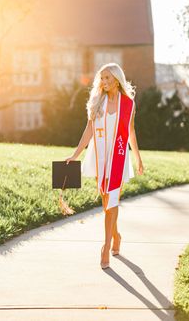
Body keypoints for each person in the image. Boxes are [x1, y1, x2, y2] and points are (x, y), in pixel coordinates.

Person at [65, 63, 144, 269]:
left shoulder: (128, 103)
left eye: (108, 78)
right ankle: (116, 235)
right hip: (100, 156)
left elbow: (131, 132)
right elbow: (88, 131)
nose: (104, 82)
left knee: (113, 199)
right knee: (106, 200)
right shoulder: (96, 102)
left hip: (117, 156)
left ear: (117, 80)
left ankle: (106, 245)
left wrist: (138, 158)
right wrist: (75, 154)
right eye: (102, 78)